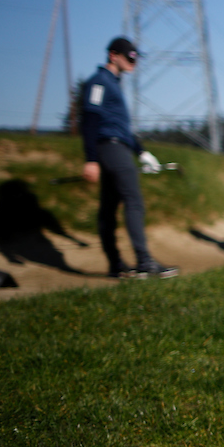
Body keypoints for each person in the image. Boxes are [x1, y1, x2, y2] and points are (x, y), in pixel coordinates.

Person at [80, 37, 178, 278]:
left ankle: (116, 265)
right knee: (133, 201)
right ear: (114, 55)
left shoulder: (113, 84)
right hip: (111, 149)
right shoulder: (99, 82)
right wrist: (91, 159)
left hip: (118, 147)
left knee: (110, 206)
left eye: (135, 58)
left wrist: (142, 151)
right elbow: (90, 120)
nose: (134, 62)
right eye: (130, 57)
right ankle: (144, 261)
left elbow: (122, 127)